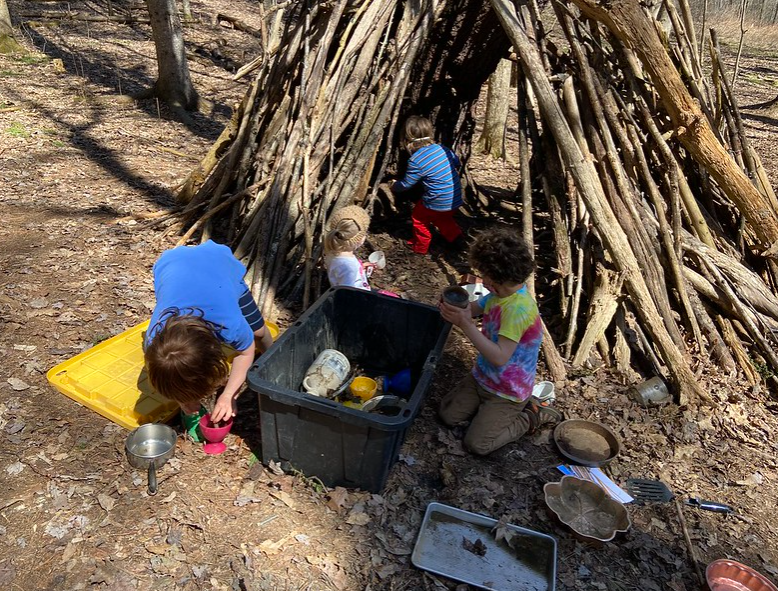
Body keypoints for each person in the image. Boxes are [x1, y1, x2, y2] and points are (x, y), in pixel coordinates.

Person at [438, 227, 562, 456]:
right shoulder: (500, 294)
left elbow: (499, 357)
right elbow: (475, 307)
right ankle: (486, 414)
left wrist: (464, 324)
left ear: (497, 278)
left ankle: (531, 416)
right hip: (482, 378)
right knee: (447, 416)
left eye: (484, 274)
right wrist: (456, 307)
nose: (482, 279)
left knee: (477, 444)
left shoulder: (518, 309)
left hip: (507, 391)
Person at [143, 240, 273, 437]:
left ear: (214, 354)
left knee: (258, 332)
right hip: (170, 264)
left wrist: (229, 394)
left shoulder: (229, 325)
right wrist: (182, 400)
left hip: (219, 265)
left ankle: (273, 357)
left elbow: (246, 351)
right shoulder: (153, 339)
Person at [390, 115, 464, 255]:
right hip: (455, 198)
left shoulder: (416, 160)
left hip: (436, 201)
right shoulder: (442, 149)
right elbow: (456, 162)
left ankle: (420, 247)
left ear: (406, 138)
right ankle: (456, 239)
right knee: (443, 218)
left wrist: (394, 185)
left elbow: (406, 184)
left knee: (419, 218)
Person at [323, 205, 372, 290]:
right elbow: (346, 294)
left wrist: (360, 269)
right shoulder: (349, 267)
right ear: (360, 240)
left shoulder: (333, 253)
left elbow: (340, 274)